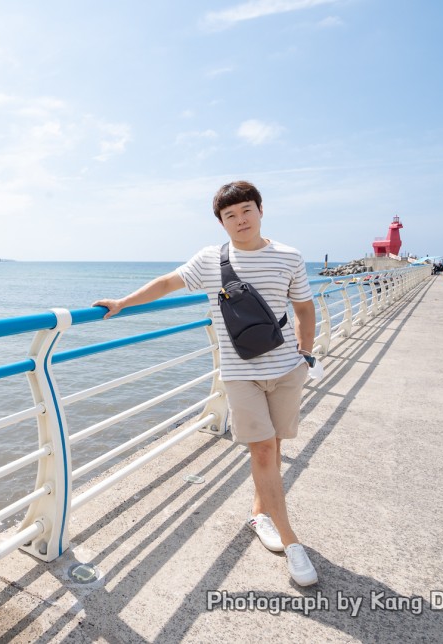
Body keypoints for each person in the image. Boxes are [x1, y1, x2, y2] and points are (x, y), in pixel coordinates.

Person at [91, 180, 319, 586]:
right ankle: (292, 541)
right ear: (221, 222)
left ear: (261, 210)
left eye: (246, 210)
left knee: (274, 445)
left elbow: (303, 307)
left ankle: (259, 515)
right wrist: (123, 302)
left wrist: (306, 355)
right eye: (230, 215)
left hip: (287, 369)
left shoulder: (289, 256)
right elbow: (167, 283)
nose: (240, 219)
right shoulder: (211, 260)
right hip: (240, 371)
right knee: (264, 450)